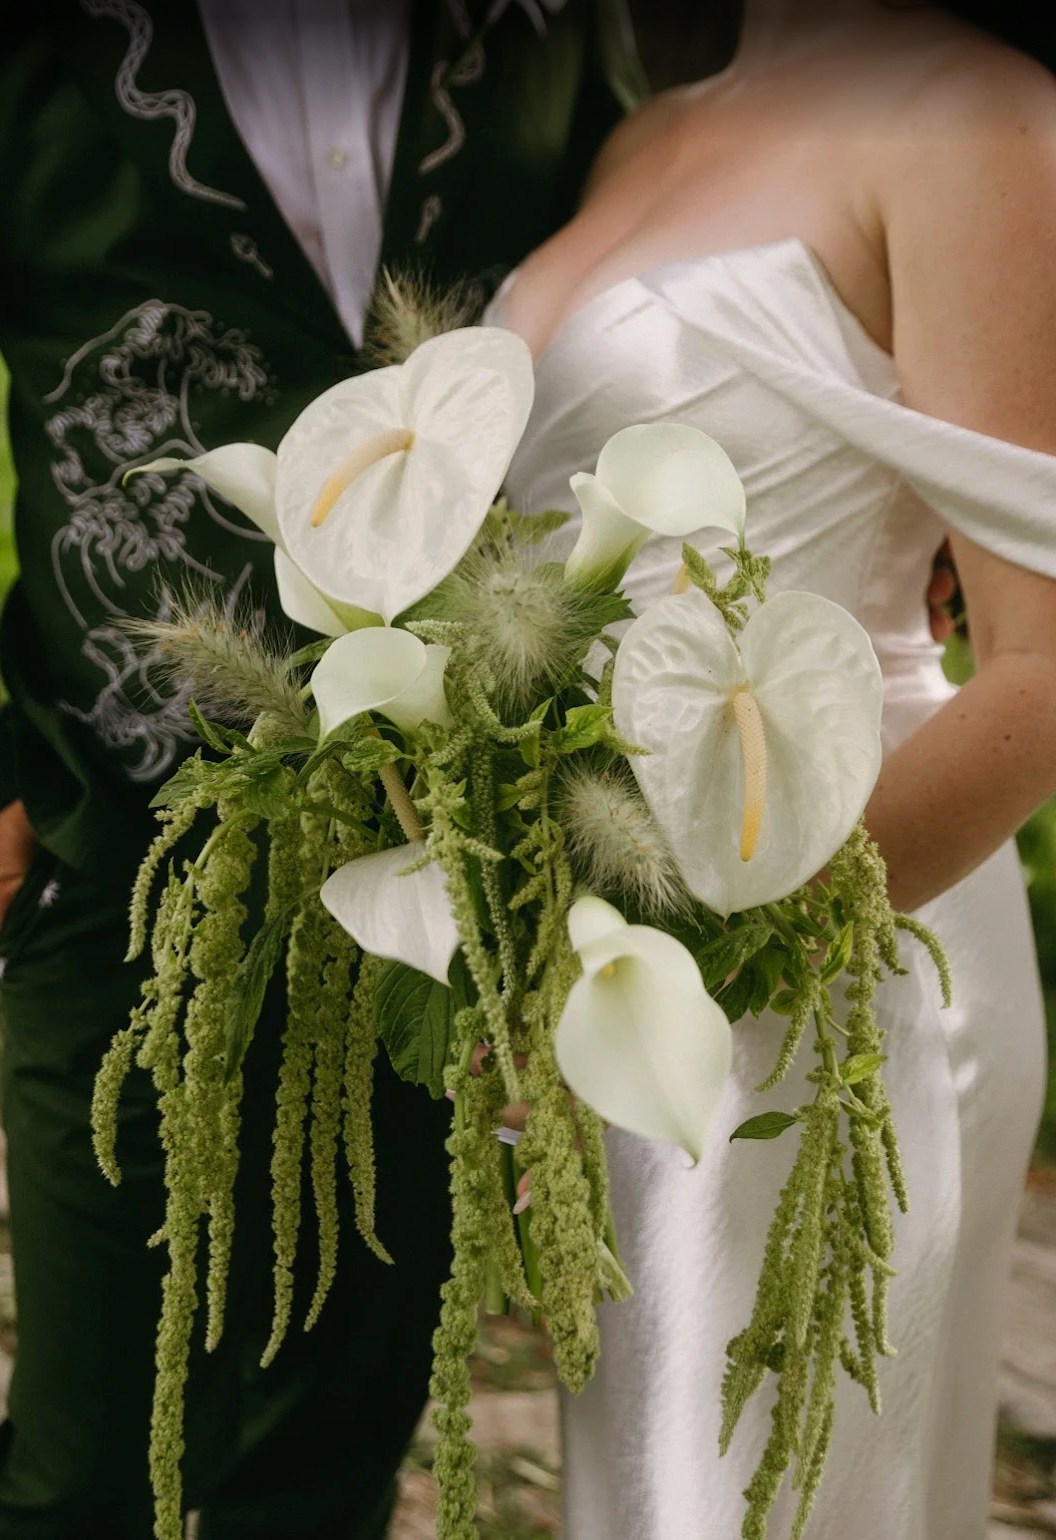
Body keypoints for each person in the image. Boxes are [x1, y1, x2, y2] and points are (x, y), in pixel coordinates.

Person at [0, 4, 647, 1536]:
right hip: (121, 839)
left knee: (344, 1433)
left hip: (454, 858)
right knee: (95, 1459)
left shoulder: (556, 36)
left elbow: (690, 269)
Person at [485, 0, 1056, 1535]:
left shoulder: (979, 110)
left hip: (846, 942)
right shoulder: (641, 125)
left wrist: (726, 945)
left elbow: (1041, 664)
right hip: (611, 961)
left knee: (773, 1484)